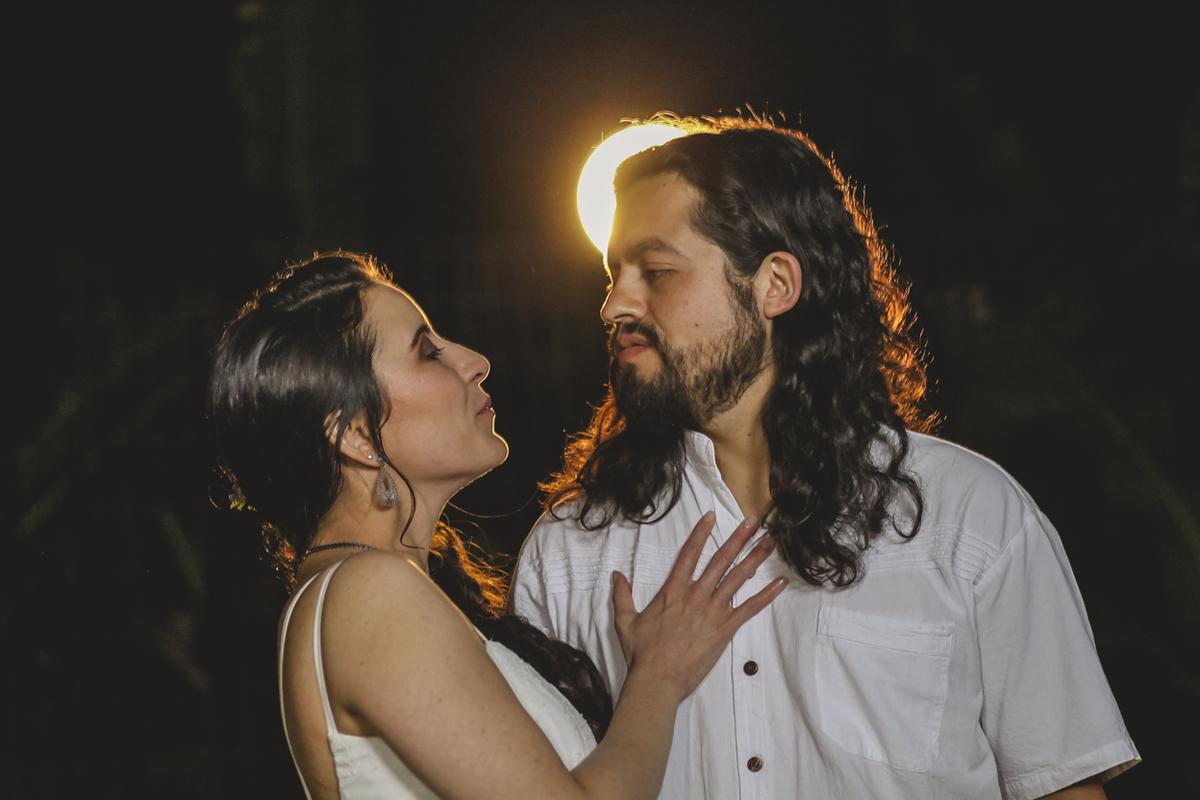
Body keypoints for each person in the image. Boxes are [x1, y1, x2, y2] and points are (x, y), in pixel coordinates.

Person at [511, 117, 1140, 800]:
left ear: (775, 284)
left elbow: (1063, 787)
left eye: (656, 271)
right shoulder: (570, 553)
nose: (613, 305)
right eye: (614, 275)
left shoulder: (970, 516)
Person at [206, 251, 787, 800]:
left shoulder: (358, 591)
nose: (474, 361)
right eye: (426, 352)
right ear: (356, 435)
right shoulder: (366, 592)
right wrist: (659, 674)